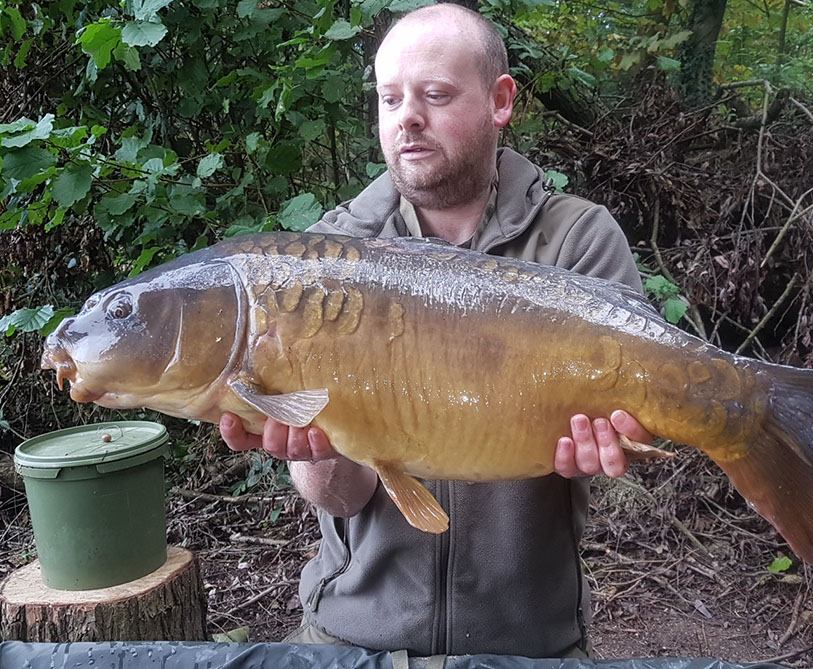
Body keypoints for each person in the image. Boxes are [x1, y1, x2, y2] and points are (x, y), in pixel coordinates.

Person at [219, 2, 655, 658]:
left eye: (435, 95)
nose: (407, 118)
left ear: (500, 100)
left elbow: (622, 426)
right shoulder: (325, 258)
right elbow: (343, 495)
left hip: (526, 640)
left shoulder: (577, 239)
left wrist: (622, 435)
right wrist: (314, 448)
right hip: (352, 633)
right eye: (390, 98)